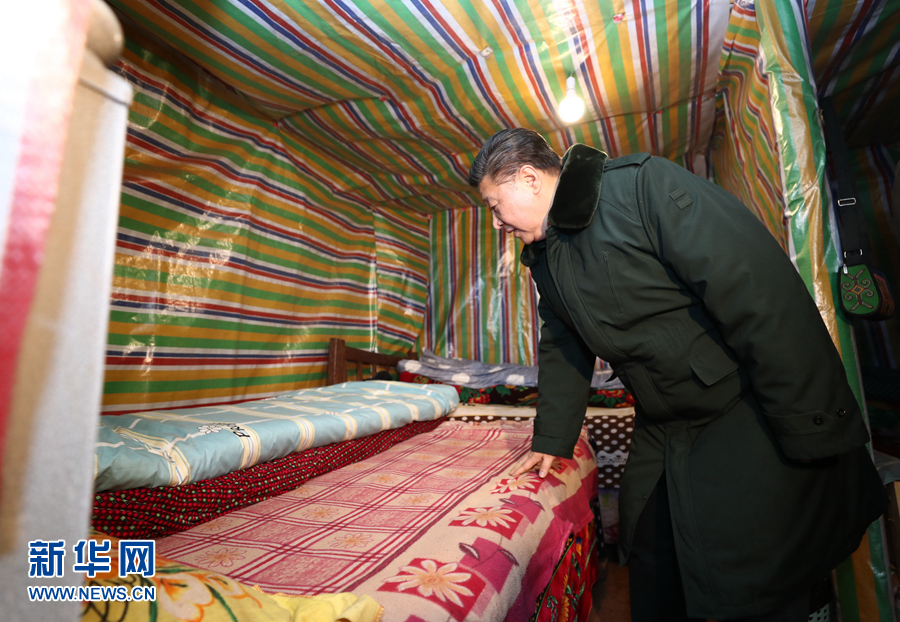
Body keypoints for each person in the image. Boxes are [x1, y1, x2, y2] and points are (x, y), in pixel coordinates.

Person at [467, 128, 886, 622]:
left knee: (753, 569)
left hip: (737, 405)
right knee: (651, 552)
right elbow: (562, 342)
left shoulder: (639, 187)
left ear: (529, 178)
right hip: (663, 421)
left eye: (495, 206)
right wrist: (552, 439)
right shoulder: (545, 255)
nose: (496, 223)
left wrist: (811, 422)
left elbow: (754, 288)